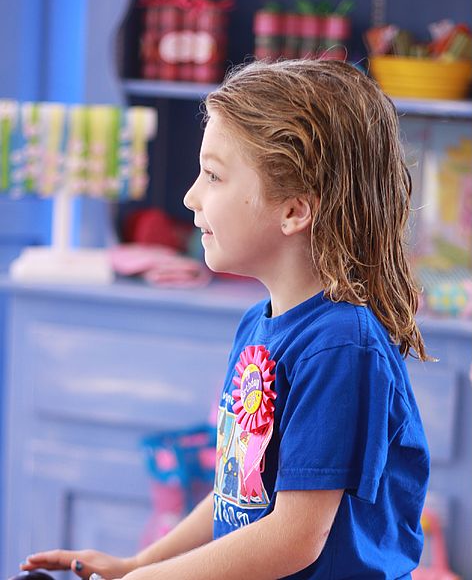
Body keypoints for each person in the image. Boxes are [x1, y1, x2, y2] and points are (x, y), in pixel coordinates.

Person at [21, 59, 431, 579]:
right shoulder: (258, 326)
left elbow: (294, 537)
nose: (191, 197)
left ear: (294, 210)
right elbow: (238, 490)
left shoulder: (340, 346)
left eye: (213, 175)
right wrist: (137, 565)